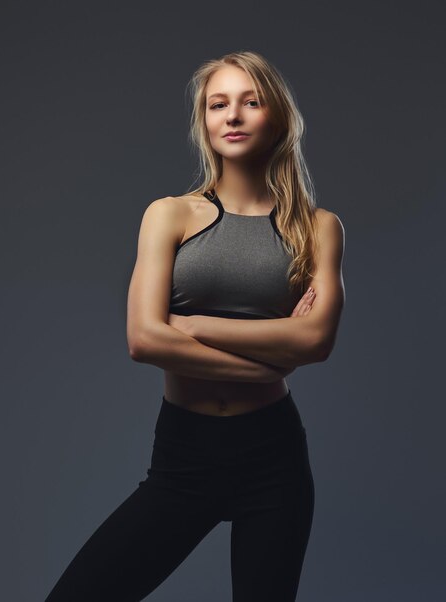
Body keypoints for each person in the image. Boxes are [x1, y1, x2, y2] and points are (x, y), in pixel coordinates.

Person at [45, 50, 345, 602]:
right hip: (185, 455)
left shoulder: (319, 228)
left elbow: (316, 341)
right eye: (218, 104)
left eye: (250, 102)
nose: (232, 115)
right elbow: (143, 339)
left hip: (273, 457)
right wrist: (273, 361)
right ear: (204, 123)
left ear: (276, 117)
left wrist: (192, 323)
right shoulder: (170, 214)